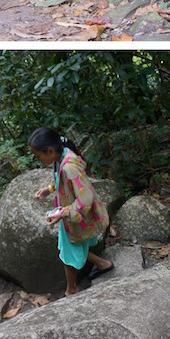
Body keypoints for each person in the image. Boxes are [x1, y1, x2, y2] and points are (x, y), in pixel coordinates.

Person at [30, 127, 113, 296]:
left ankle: (71, 290)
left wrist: (62, 213)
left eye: (39, 156)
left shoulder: (70, 166)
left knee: (68, 254)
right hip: (71, 216)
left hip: (76, 217)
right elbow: (62, 181)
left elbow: (86, 198)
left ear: (50, 151)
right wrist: (49, 189)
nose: (38, 159)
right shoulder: (61, 157)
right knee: (71, 247)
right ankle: (103, 264)